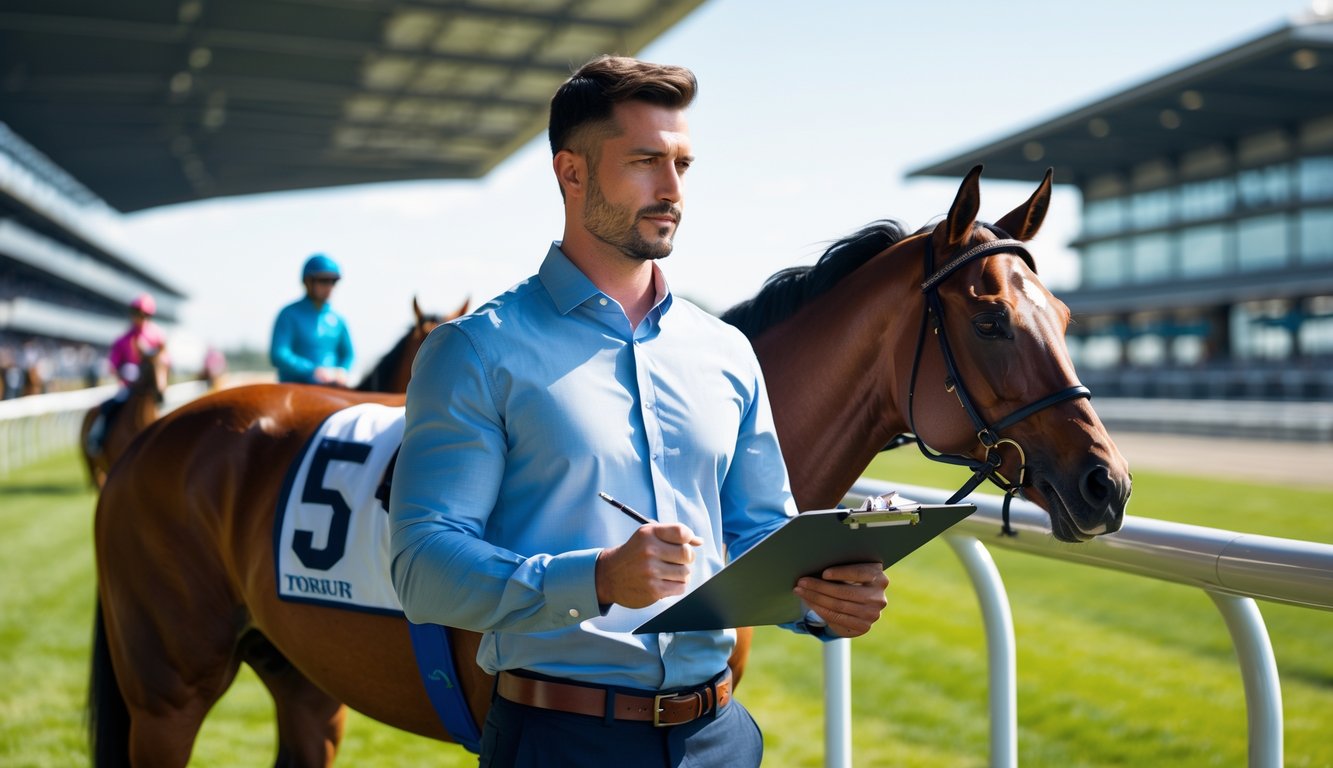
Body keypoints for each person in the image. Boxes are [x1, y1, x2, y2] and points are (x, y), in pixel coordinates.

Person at [388, 55, 889, 767]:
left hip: (719, 737)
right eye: (645, 162)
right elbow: (421, 566)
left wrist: (822, 596)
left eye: (683, 164)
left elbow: (755, 533)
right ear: (572, 173)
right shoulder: (475, 350)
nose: (672, 189)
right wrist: (593, 579)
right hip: (560, 740)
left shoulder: (725, 351)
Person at [87, 293, 169, 455]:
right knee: (108, 407)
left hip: (153, 388)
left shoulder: (157, 337)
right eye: (138, 313)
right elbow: (113, 366)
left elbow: (165, 362)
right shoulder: (123, 340)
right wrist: (125, 372)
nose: (141, 318)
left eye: (145, 315)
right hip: (129, 387)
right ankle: (97, 438)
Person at [269, 253, 354, 385]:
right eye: (324, 281)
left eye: (333, 281)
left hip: (331, 387)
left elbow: (348, 354)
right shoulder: (289, 314)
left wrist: (343, 370)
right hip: (296, 387)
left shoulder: (338, 320)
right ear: (308, 282)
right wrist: (312, 370)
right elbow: (279, 354)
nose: (329, 287)